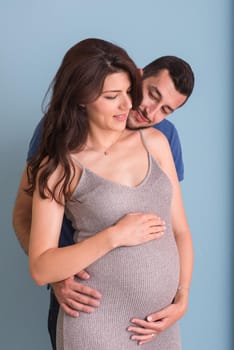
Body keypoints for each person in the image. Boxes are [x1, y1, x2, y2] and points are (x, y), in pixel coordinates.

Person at [13, 42, 194, 349]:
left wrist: (182, 296)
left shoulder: (160, 139)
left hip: (158, 324)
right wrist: (114, 236)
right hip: (94, 314)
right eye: (114, 96)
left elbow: (179, 229)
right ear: (84, 99)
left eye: (127, 93)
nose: (132, 106)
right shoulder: (57, 157)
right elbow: (35, 250)